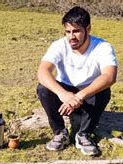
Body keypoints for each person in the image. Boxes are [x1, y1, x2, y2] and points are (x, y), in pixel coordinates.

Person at [37, 6, 118, 156]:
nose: (71, 37)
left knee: (103, 90)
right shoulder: (59, 45)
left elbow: (109, 76)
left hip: (88, 98)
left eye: (77, 31)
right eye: (68, 32)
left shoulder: (103, 47)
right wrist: (63, 94)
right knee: (43, 88)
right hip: (64, 98)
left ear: (88, 29)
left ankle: (84, 135)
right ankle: (60, 133)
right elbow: (42, 71)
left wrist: (79, 96)